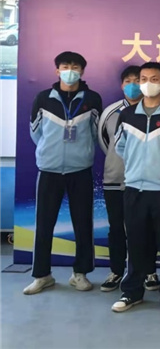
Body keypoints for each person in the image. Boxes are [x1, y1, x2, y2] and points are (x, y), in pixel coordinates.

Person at [111, 62, 160, 315]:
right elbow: (120, 147)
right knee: (135, 243)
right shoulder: (127, 115)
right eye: (143, 78)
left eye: (154, 79)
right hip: (134, 188)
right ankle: (132, 292)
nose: (147, 83)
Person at [24, 51, 103, 295]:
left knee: (83, 222)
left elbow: (95, 133)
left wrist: (81, 153)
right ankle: (42, 275)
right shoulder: (43, 98)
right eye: (65, 66)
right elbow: (36, 132)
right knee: (44, 223)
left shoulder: (92, 99)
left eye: (75, 66)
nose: (70, 70)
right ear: (57, 70)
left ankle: (80, 274)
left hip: (80, 170)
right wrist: (51, 152)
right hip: (49, 170)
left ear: (82, 71)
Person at [97, 65, 160, 293]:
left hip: (146, 180)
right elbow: (105, 142)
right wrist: (120, 162)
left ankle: (149, 271)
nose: (133, 85)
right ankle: (116, 270)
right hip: (116, 178)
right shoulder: (110, 112)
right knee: (116, 228)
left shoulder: (157, 110)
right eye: (128, 81)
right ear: (121, 84)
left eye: (137, 80)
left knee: (147, 228)